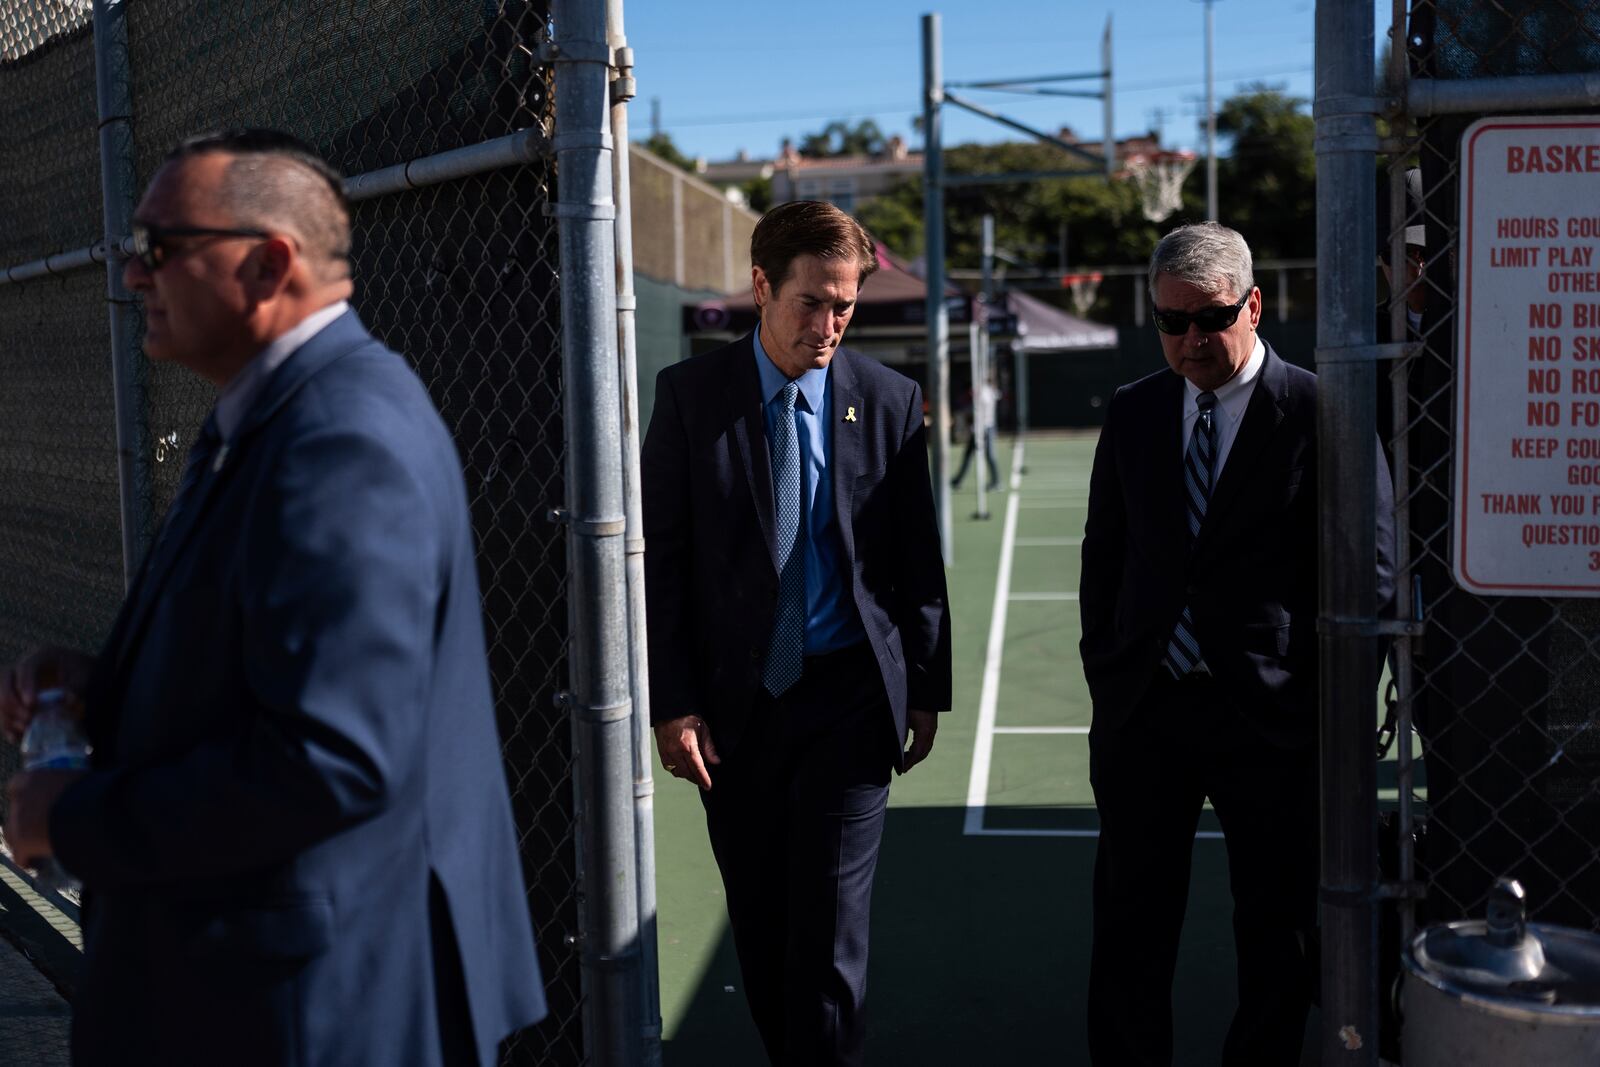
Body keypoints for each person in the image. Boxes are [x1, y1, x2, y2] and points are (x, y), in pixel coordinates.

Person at [1, 129, 545, 1066]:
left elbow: (334, 757)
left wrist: (73, 816)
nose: (133, 277)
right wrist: (110, 683)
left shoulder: (342, 439)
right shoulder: (281, 413)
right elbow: (277, 673)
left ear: (268, 262)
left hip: (309, 1012)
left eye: (158, 249)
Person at [642, 199, 951, 1066]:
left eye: (844, 304)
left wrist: (925, 685)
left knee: (829, 936)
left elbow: (912, 555)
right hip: (735, 715)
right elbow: (661, 565)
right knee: (766, 927)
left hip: (849, 701)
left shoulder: (888, 401)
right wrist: (675, 703)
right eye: (810, 301)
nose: (828, 324)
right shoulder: (691, 398)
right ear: (760, 287)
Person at [1078, 222, 1394, 1065]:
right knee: (1129, 922)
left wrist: (1330, 707)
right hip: (1147, 709)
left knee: (1277, 931)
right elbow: (1104, 556)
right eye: (1170, 322)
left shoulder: (1323, 411)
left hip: (1272, 720)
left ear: (1253, 305)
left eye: (1210, 319)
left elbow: (1373, 570)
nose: (1190, 341)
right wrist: (1111, 675)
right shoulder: (1135, 409)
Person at [950, 374, 1000, 492]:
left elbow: (976, 410)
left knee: (988, 456)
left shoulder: (984, 393)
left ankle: (996, 481)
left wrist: (963, 410)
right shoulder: (989, 392)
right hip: (984, 427)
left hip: (983, 428)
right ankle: (958, 480)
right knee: (970, 455)